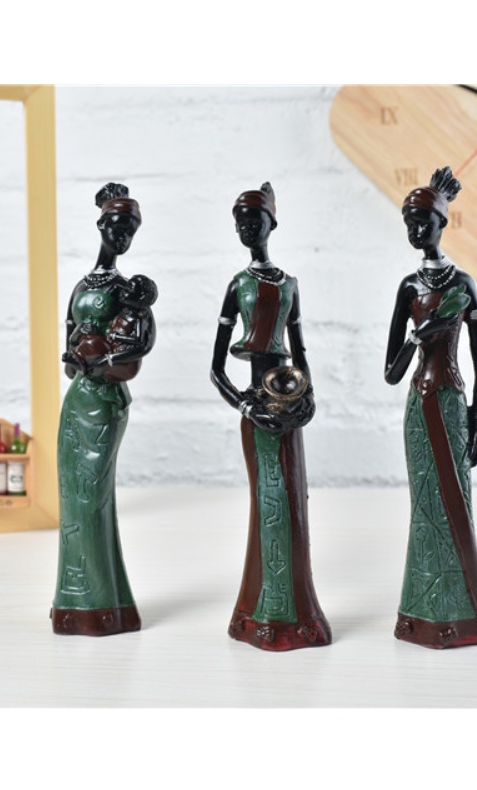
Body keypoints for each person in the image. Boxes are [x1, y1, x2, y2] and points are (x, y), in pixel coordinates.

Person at [211, 182, 331, 651]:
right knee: (268, 501)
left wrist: (308, 396)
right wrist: (245, 405)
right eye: (240, 222)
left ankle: (295, 612)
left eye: (254, 220)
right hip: (255, 405)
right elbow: (216, 368)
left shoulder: (289, 285)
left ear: (271, 224)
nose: (247, 229)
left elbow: (300, 350)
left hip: (287, 399)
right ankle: (260, 609)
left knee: (292, 500)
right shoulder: (237, 286)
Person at [385, 166, 477, 648]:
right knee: (425, 507)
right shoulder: (409, 288)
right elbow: (391, 372)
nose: (415, 231)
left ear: (441, 224)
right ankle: (421, 610)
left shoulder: (463, 285)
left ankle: (466, 610)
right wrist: (419, 337)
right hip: (420, 405)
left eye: (423, 222)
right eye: (409, 223)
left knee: (457, 504)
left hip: (452, 404)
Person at [51, 183, 157, 637]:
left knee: (92, 497)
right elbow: (68, 348)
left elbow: (140, 347)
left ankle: (101, 602)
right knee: (74, 499)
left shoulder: (130, 292)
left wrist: (103, 358)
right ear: (101, 226)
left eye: (130, 230)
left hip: (106, 401)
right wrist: (80, 355)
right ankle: (83, 603)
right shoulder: (82, 286)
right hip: (78, 400)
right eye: (116, 227)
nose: (122, 236)